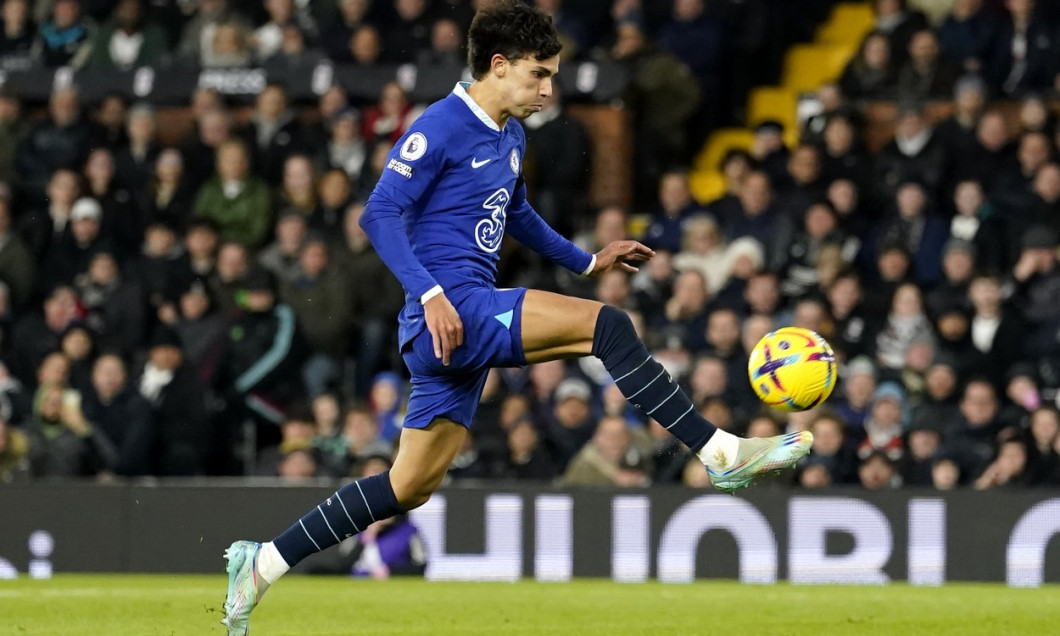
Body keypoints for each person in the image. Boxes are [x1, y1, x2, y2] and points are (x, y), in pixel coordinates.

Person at [221, 4, 813, 632]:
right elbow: (378, 214)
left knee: (407, 487)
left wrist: (586, 261)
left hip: (461, 319)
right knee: (609, 328)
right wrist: (429, 295)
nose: (549, 90)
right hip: (448, 310)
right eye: (538, 75)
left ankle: (264, 562)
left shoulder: (511, 133)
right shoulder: (441, 124)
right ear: (498, 67)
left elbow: (518, 212)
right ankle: (718, 451)